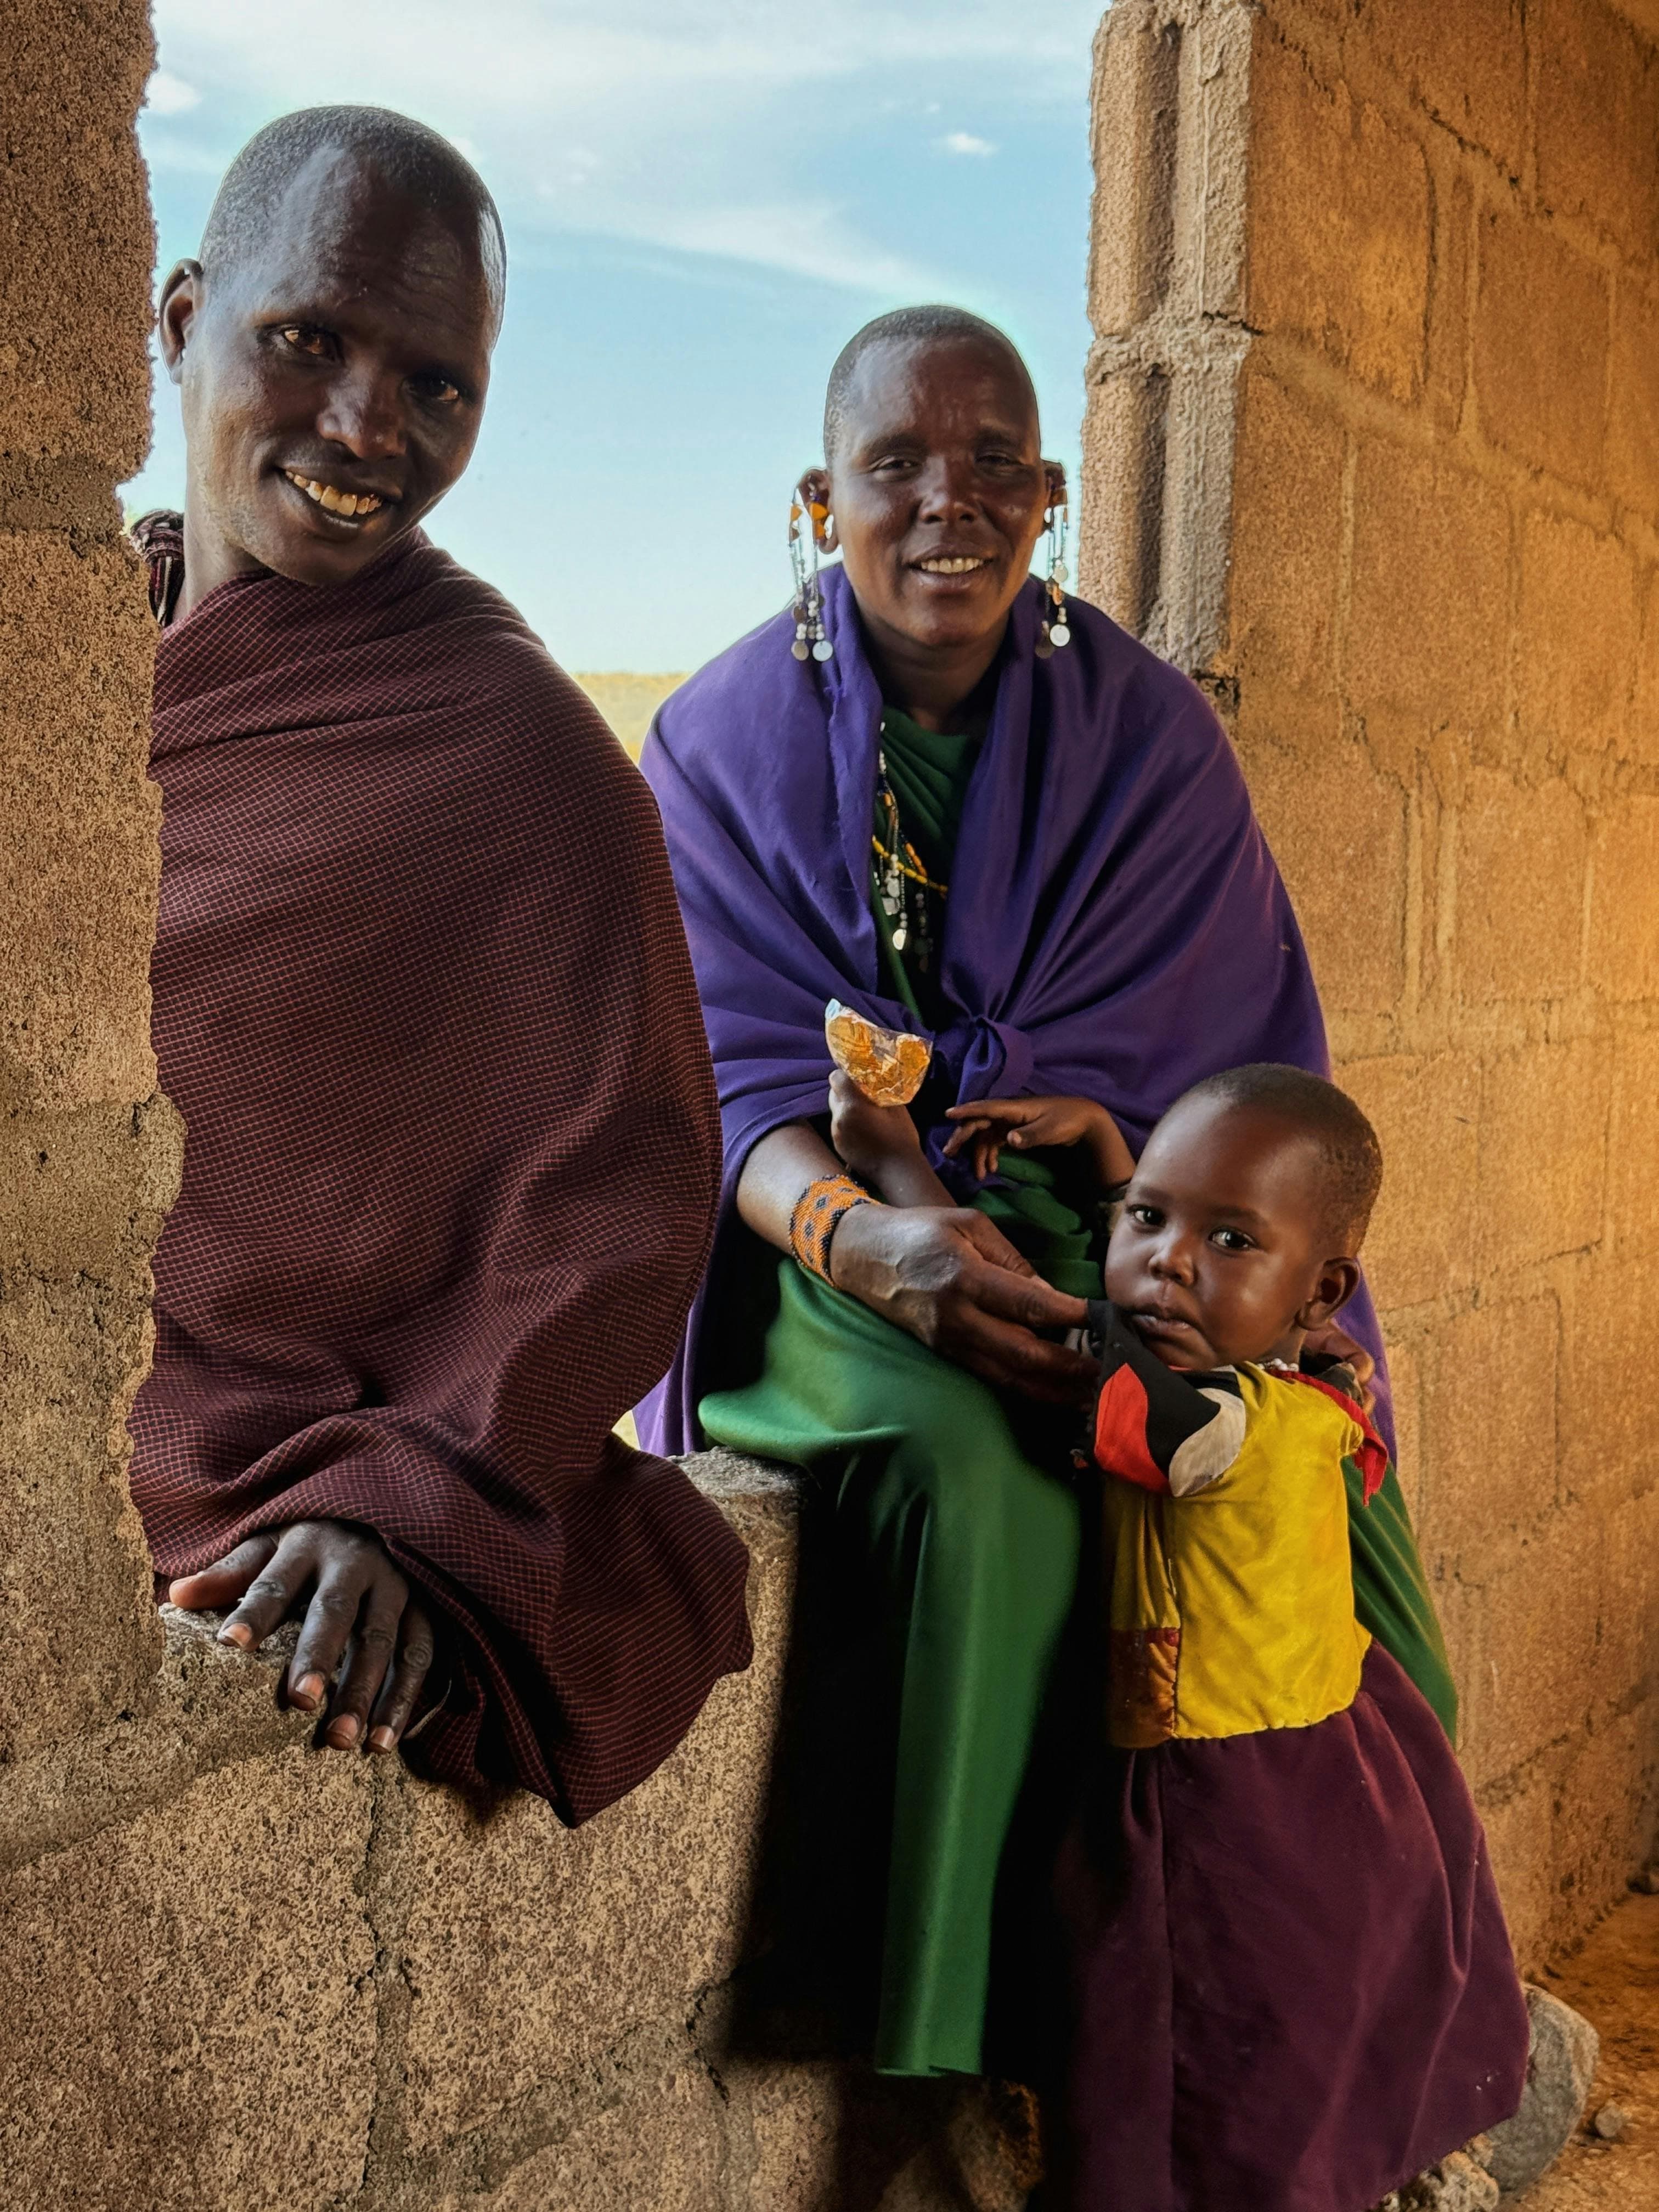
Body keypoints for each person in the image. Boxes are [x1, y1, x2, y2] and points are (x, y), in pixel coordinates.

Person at [637, 305, 1458, 2075]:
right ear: (817, 499)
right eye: (897, 466)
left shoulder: (1146, 735)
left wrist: (1103, 1186)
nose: (952, 502)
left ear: (1053, 491)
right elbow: (721, 1078)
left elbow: (1220, 1061)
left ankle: (1355, 2032)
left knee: (1329, 1533)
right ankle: (956, 2048)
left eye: (995, 461)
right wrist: (870, 1239)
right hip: (815, 1232)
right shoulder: (715, 742)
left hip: (1105, 1204)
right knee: (985, 1486)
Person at [127, 106, 752, 1820]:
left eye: (438, 384)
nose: (363, 429)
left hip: (247, 1436)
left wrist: (410, 1493)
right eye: (307, 339)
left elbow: (617, 1206)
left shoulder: (516, 756)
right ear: (183, 320)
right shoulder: (61, 661)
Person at [844, 1058, 1531, 2206]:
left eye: (1230, 1241)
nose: (1164, 1258)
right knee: (1290, 2038)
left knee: (1181, 2049)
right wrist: (1115, 1156)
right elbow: (1168, 1298)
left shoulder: (1196, 1428)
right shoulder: (1315, 1372)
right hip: (1344, 1750)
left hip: (1219, 1797)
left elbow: (1052, 1343)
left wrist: (891, 1162)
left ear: (1322, 1291)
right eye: (1153, 1219)